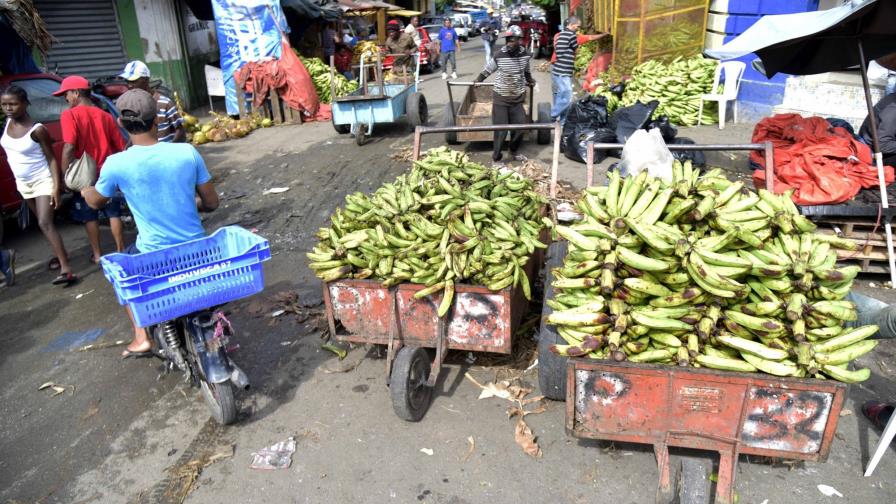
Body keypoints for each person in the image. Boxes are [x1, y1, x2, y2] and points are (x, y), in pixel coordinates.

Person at [80, 89, 219, 358]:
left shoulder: (116, 163)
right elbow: (211, 203)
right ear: (156, 120)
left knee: (121, 273)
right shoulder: (187, 152)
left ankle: (142, 336)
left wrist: (86, 191)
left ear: (120, 122)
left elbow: (96, 202)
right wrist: (188, 203)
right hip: (197, 250)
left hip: (153, 254)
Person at [1, 85, 77, 286]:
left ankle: (66, 269)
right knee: (43, 224)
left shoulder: (37, 130)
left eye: (13, 104)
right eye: (4, 104)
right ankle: (61, 255)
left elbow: (51, 159)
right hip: (23, 183)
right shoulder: (7, 123)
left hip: (43, 180)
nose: (8, 108)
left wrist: (56, 187)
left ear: (25, 103)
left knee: (45, 222)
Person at [53, 75, 127, 265]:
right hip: (108, 171)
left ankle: (97, 255)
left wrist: (64, 175)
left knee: (89, 216)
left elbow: (69, 147)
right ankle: (121, 251)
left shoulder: (69, 115)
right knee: (113, 213)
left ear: (76, 93)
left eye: (66, 94)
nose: (66, 99)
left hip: (85, 176)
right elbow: (120, 147)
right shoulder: (105, 115)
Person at [474, 25, 533, 167]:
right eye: (507, 40)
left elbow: (526, 71)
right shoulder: (500, 55)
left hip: (517, 98)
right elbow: (488, 70)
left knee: (520, 128)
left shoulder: (525, 55)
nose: (509, 43)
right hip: (501, 98)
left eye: (512, 40)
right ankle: (496, 158)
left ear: (519, 40)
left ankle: (513, 151)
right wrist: (478, 80)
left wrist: (530, 80)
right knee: (501, 130)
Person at [119, 60, 186, 143]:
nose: (129, 85)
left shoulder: (165, 103)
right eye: (127, 81)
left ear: (146, 79)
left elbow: (180, 131)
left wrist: (168, 148)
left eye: (133, 81)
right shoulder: (132, 106)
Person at [551, 16, 581, 124]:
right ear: (572, 25)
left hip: (559, 70)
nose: (578, 28)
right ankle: (553, 115)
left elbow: (558, 50)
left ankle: (563, 121)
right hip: (563, 72)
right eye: (577, 26)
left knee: (561, 96)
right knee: (567, 97)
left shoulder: (561, 34)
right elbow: (576, 49)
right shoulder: (571, 35)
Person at [859, 92, 896, 166]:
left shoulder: (892, 97)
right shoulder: (893, 109)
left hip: (880, 144)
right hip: (874, 153)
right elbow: (882, 145)